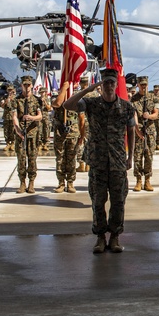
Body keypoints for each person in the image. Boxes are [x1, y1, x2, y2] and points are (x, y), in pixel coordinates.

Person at [62, 68, 136, 254]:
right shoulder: (91, 103)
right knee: (98, 201)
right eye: (106, 82)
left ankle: (115, 236)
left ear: (116, 84)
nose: (110, 86)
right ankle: (101, 237)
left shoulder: (126, 107)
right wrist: (87, 89)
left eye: (112, 82)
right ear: (101, 84)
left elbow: (131, 131)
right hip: (98, 161)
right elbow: (67, 105)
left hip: (118, 161)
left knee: (118, 201)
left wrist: (131, 157)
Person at [11, 75, 43, 193]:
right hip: (21, 134)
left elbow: (40, 116)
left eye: (29, 84)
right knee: (21, 159)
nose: (27, 87)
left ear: (32, 85)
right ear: (21, 86)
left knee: (32, 159)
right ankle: (22, 183)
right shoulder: (16, 100)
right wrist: (18, 130)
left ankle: (31, 183)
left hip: (33, 134)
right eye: (25, 85)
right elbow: (14, 116)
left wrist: (31, 117)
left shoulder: (36, 100)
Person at [130, 76, 159, 192]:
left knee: (149, 156)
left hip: (150, 131)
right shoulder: (134, 99)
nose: (143, 86)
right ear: (137, 84)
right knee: (137, 156)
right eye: (141, 84)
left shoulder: (153, 98)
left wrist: (149, 116)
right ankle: (138, 180)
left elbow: (156, 114)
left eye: (145, 84)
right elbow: (134, 115)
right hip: (139, 130)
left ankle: (147, 180)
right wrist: (137, 129)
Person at [52, 86, 81, 193]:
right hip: (60, 132)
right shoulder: (58, 97)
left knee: (71, 159)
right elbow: (57, 104)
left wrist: (82, 135)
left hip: (73, 132)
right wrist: (64, 89)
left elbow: (81, 117)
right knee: (60, 159)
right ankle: (61, 183)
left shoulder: (77, 98)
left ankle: (70, 182)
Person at [0, 85, 16, 153]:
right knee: (6, 130)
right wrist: (6, 101)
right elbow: (2, 106)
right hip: (6, 116)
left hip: (13, 116)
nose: (10, 91)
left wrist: (13, 100)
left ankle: (12, 143)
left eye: (11, 90)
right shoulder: (4, 97)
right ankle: (7, 143)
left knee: (13, 130)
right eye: (9, 90)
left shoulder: (16, 98)